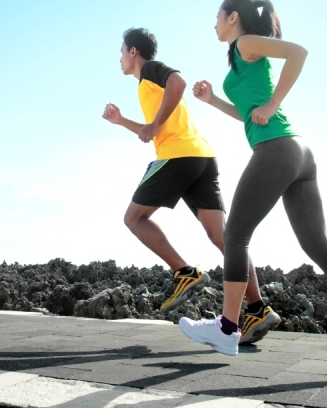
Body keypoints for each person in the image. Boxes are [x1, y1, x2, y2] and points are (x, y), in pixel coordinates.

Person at [179, 0, 327, 371]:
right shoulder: (242, 55)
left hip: (277, 150)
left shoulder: (245, 42)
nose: (214, 24)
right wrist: (214, 101)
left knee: (235, 235)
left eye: (217, 16)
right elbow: (250, 116)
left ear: (233, 17)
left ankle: (226, 327)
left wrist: (272, 105)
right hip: (295, 151)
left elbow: (299, 52)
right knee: (317, 243)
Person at [103, 28, 279, 344]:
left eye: (121, 52)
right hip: (201, 157)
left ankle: (184, 273)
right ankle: (257, 308)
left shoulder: (149, 71)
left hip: (178, 157)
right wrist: (122, 122)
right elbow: (151, 131)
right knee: (224, 238)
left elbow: (178, 83)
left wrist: (155, 124)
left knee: (133, 218)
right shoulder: (148, 88)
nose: (119, 58)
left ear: (133, 52)